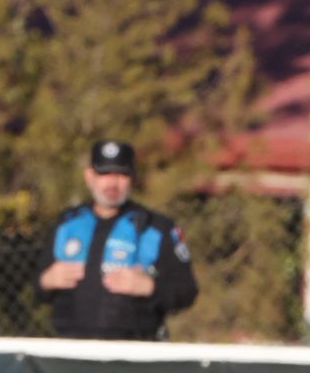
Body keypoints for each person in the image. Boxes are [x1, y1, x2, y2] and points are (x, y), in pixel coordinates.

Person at [36, 139, 198, 340]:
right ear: (89, 177)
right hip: (71, 351)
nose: (112, 183)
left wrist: (150, 288)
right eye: (104, 174)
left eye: (121, 174)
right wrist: (46, 281)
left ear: (133, 177)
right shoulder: (66, 224)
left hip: (135, 353)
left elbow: (187, 291)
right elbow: (36, 287)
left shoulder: (156, 228)